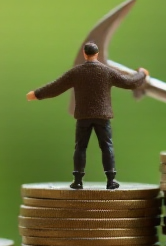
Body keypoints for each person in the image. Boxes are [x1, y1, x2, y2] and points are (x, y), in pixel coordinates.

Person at [26, 42, 149, 189]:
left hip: (83, 116)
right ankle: (111, 181)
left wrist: (37, 94)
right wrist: (142, 73)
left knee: (80, 147)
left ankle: (78, 181)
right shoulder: (107, 71)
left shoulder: (76, 72)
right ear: (97, 54)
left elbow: (56, 87)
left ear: (84, 54)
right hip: (103, 116)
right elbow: (130, 83)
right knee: (106, 146)